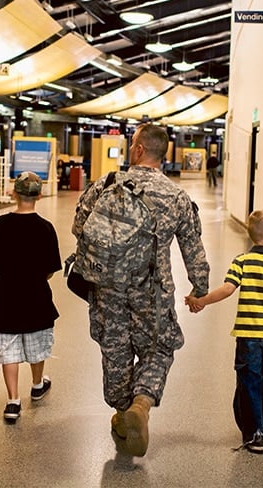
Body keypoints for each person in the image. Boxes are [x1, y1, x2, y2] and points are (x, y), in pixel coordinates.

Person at [72, 123, 210, 457]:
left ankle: (122, 413)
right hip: (153, 290)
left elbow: (80, 228)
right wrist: (200, 287)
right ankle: (141, 406)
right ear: (164, 155)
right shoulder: (177, 197)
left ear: (137, 150)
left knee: (115, 351)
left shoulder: (106, 184)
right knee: (159, 349)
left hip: (108, 288)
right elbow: (193, 248)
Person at [185, 209, 263, 454]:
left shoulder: (242, 261)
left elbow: (227, 289)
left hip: (248, 334)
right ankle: (259, 422)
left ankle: (254, 429)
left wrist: (201, 300)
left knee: (249, 379)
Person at [0, 171, 61, 424]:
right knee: (38, 343)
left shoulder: (1, 225)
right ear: (39, 195)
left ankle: (13, 401)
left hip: (6, 297)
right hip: (37, 296)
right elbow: (51, 268)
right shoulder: (46, 228)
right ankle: (37, 385)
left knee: (9, 349)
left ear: (14, 193)